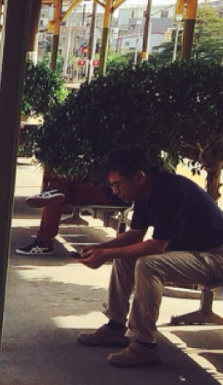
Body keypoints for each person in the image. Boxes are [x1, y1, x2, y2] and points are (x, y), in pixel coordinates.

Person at [76, 146, 223, 368]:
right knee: (127, 257)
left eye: (118, 184)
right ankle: (115, 327)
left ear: (139, 176)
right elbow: (135, 235)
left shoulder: (172, 190)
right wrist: (100, 248)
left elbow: (158, 245)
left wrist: (106, 254)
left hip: (215, 256)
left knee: (149, 264)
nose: (115, 191)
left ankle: (145, 345)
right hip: (195, 252)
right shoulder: (144, 191)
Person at [16, 172, 125, 255]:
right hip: (104, 189)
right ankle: (54, 191)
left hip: (114, 194)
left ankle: (44, 242)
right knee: (58, 195)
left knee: (59, 193)